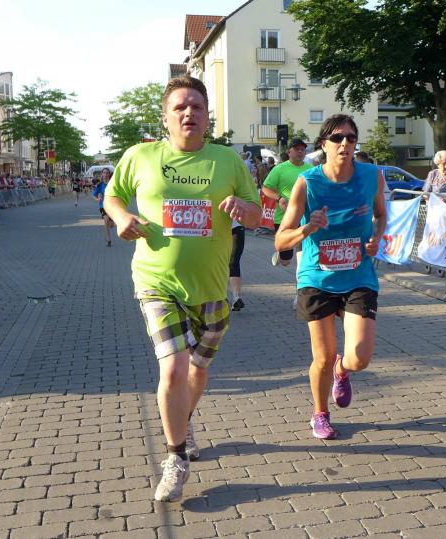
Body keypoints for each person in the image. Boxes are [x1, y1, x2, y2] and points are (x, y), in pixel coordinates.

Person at [103, 76, 261, 502]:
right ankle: (175, 459)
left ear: (208, 117)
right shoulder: (140, 156)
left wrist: (243, 208)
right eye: (180, 107)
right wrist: (121, 217)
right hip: (156, 282)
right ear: (166, 117)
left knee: (197, 370)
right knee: (172, 369)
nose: (189, 112)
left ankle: (184, 418)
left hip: (210, 288)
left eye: (197, 106)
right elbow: (112, 196)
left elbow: (256, 213)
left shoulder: (227, 160)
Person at [275, 114, 386, 440]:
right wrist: (308, 228)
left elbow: (381, 215)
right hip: (317, 278)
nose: (345, 143)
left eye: (351, 138)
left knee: (360, 358)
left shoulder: (372, 176)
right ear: (323, 144)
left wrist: (377, 237)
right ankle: (320, 414)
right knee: (322, 358)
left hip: (358, 275)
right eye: (337, 138)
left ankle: (343, 369)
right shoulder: (307, 183)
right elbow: (281, 240)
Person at [262, 138, 312, 270]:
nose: (300, 152)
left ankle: (302, 277)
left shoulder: (311, 169)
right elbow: (265, 188)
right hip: (284, 217)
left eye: (302, 149)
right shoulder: (279, 169)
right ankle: (281, 255)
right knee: (286, 261)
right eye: (297, 149)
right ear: (289, 152)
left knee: (303, 250)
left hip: (305, 217)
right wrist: (279, 198)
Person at [91, 170, 114, 246]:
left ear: (109, 174)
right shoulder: (100, 185)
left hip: (112, 206)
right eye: (104, 173)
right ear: (102, 174)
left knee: (111, 225)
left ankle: (112, 222)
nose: (105, 174)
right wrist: (97, 199)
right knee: (106, 221)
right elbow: (93, 195)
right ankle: (108, 239)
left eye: (107, 173)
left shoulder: (113, 183)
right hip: (103, 206)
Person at [229, 220, 245, 311]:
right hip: (217, 230)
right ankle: (235, 297)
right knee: (232, 263)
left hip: (236, 227)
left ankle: (236, 298)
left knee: (233, 262)